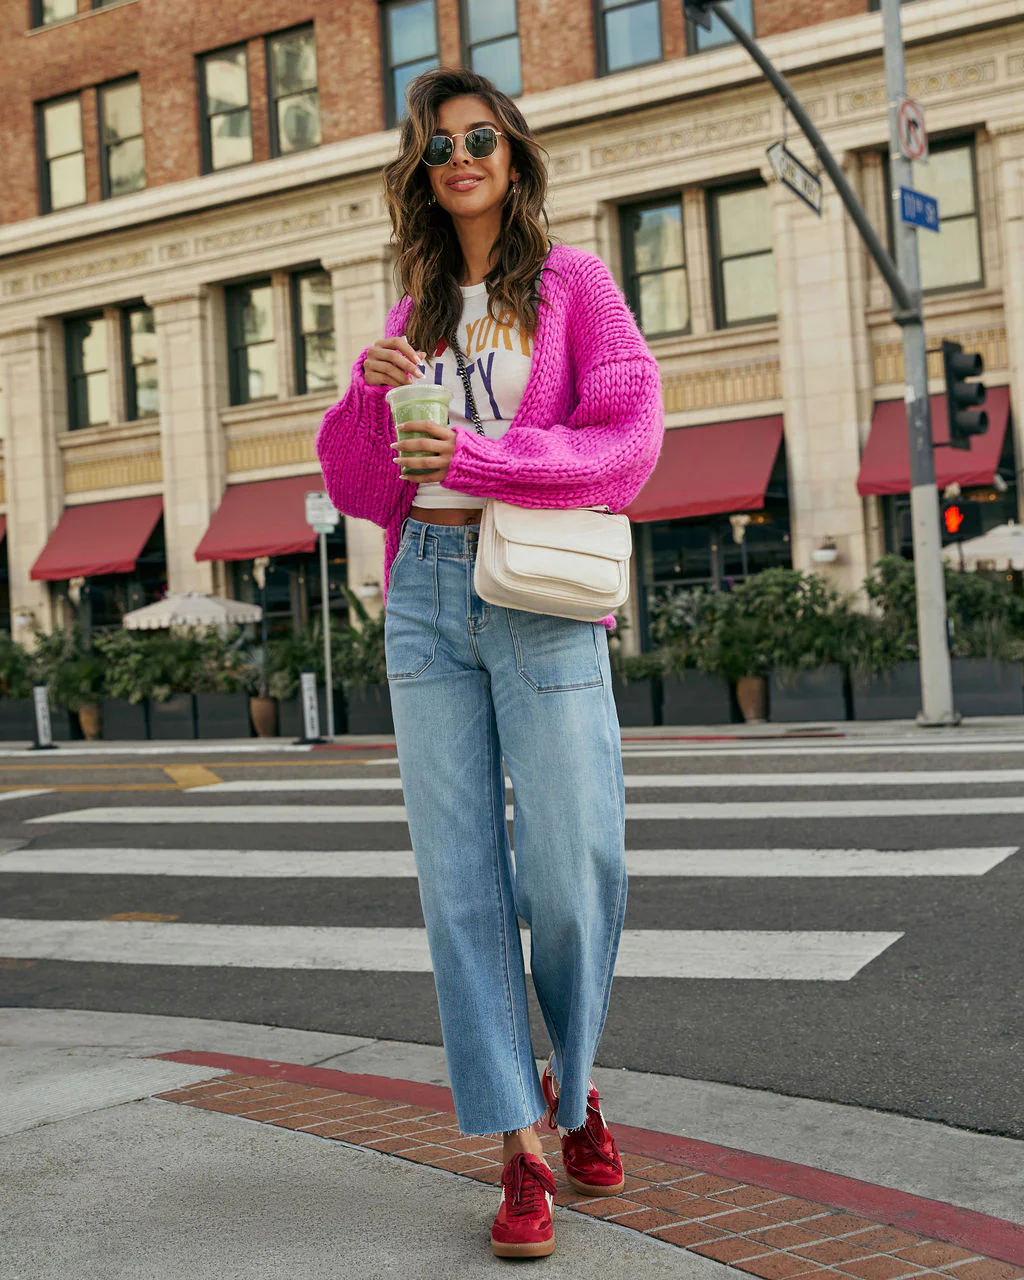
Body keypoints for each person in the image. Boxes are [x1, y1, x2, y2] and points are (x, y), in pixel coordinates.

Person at [317, 66, 663, 1259]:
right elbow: (366, 489)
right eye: (437, 144)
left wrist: (488, 452)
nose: (458, 156)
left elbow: (629, 439)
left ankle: (574, 1079)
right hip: (424, 596)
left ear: (511, 153)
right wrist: (368, 402)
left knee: (572, 865)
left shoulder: (573, 284)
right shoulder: (414, 306)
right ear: (419, 172)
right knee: (458, 882)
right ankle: (519, 1143)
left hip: (537, 591)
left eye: (479, 136)